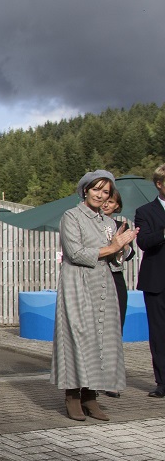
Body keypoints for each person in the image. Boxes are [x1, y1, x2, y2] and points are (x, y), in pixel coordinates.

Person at [52, 171, 136, 420]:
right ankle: (72, 396)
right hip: (76, 282)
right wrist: (112, 246)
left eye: (106, 192)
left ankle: (91, 396)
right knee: (77, 337)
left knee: (102, 340)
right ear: (85, 190)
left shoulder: (109, 223)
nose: (100, 195)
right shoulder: (71, 216)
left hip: (103, 284)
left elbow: (115, 260)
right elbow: (75, 253)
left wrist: (122, 248)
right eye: (96, 189)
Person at [100, 186, 136, 398]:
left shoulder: (120, 225)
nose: (106, 204)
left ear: (117, 206)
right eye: (105, 199)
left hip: (115, 279)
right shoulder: (88, 223)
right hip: (95, 278)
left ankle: (111, 379)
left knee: (115, 330)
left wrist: (122, 245)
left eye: (112, 202)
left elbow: (129, 255)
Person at [135, 163, 165, 399]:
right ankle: (162, 383)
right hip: (157, 282)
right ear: (159, 184)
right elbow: (143, 242)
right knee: (159, 333)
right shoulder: (145, 211)